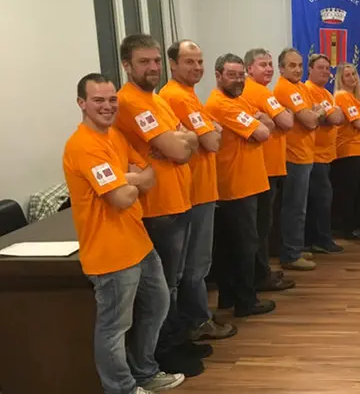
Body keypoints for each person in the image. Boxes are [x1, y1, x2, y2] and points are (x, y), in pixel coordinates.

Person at [64, 73, 184, 394]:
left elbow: (150, 174)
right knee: (115, 327)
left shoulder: (115, 136)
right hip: (110, 253)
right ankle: (121, 388)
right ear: (82, 103)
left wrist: (129, 178)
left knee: (157, 304)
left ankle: (145, 371)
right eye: (98, 100)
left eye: (111, 99)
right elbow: (120, 197)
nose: (107, 106)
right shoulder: (84, 146)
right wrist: (131, 179)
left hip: (138, 242)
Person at [114, 34, 203, 377]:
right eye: (143, 62)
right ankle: (163, 353)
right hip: (157, 208)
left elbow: (187, 138)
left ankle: (177, 342)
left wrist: (181, 140)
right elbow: (181, 148)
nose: (152, 67)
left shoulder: (156, 99)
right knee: (161, 290)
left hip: (178, 199)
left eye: (155, 60)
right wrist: (181, 140)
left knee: (174, 282)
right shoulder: (130, 102)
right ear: (127, 65)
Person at [159, 40, 238, 343]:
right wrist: (210, 131)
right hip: (192, 192)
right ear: (173, 64)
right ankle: (196, 321)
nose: (196, 67)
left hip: (202, 188)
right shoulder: (176, 97)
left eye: (200, 61)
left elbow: (210, 134)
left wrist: (208, 131)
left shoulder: (189, 95)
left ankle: (195, 316)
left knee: (196, 264)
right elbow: (213, 141)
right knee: (195, 265)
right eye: (189, 61)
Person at [205, 53, 277, 318]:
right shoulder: (222, 104)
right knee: (243, 246)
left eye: (240, 75)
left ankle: (230, 297)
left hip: (252, 181)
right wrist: (258, 120)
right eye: (231, 75)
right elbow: (263, 131)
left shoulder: (240, 100)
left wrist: (259, 120)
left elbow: (268, 124)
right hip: (236, 186)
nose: (238, 80)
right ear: (218, 75)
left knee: (240, 244)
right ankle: (246, 301)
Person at [241, 48, 297, 290]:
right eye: (262, 64)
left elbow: (282, 120)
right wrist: (281, 116)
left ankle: (262, 270)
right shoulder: (259, 91)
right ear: (249, 69)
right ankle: (261, 275)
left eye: (270, 64)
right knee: (261, 226)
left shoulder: (255, 91)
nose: (268, 69)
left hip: (267, 165)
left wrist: (273, 118)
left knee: (262, 225)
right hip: (265, 167)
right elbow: (287, 121)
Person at [272, 47, 321, 271]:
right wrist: (316, 113)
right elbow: (311, 120)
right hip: (294, 156)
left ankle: (295, 247)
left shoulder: (300, 87)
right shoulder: (284, 88)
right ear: (281, 68)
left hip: (306, 153)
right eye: (292, 65)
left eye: (300, 65)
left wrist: (314, 113)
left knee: (300, 207)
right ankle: (291, 254)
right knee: (294, 208)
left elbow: (312, 113)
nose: (297, 69)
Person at [303, 54, 346, 254]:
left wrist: (324, 115)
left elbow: (339, 117)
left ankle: (319, 238)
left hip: (328, 155)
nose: (325, 72)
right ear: (310, 69)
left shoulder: (327, 94)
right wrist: (325, 116)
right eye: (320, 67)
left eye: (328, 68)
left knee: (322, 199)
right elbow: (317, 119)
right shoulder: (307, 90)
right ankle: (320, 240)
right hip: (314, 155)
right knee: (320, 199)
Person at [331, 62, 360, 240]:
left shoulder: (357, 97)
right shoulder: (342, 96)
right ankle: (349, 229)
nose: (352, 78)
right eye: (347, 75)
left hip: (359, 149)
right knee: (350, 192)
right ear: (341, 79)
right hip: (347, 151)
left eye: (354, 74)